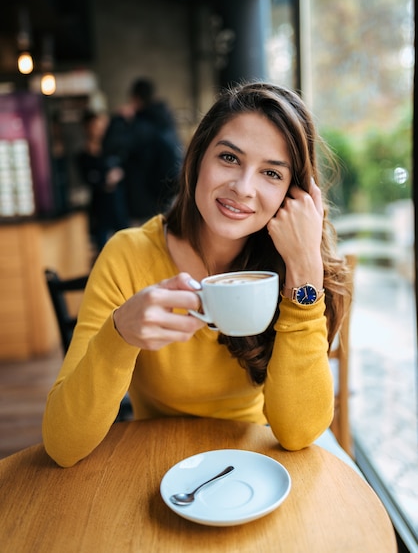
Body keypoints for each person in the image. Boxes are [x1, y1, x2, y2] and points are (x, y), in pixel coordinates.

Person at [43, 81, 350, 468]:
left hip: (256, 465)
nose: (242, 188)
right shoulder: (129, 255)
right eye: (229, 158)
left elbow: (299, 432)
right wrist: (119, 335)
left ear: (295, 194)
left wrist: (304, 267)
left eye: (271, 173)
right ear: (197, 158)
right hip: (156, 464)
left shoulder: (291, 270)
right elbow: (62, 444)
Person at [103, 78, 183, 224]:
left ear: (135, 99)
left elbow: (110, 146)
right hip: (168, 194)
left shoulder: (141, 126)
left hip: (144, 200)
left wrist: (118, 120)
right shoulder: (166, 122)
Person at [76, 110, 129, 252]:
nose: (99, 130)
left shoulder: (112, 148)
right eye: (95, 126)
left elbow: (126, 168)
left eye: (101, 126)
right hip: (99, 205)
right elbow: (89, 179)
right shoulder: (84, 155)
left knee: (126, 242)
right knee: (102, 245)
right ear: (87, 128)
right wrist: (105, 181)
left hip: (117, 203)